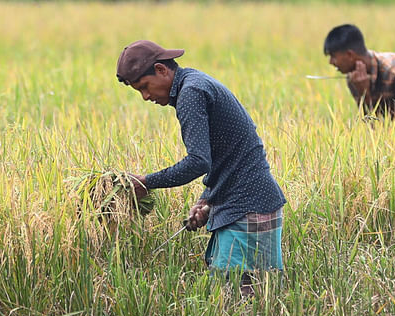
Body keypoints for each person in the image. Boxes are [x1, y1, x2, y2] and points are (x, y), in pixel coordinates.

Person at [116, 40, 286, 296]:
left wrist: (146, 182)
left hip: (246, 206)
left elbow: (198, 161)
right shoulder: (196, 82)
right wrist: (208, 199)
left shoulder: (191, 93)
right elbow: (228, 153)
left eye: (144, 87)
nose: (146, 97)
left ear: (162, 70)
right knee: (247, 298)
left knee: (241, 301)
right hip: (250, 202)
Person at [324, 24, 395, 124]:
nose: (331, 62)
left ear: (350, 55)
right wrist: (364, 94)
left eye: (333, 56)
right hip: (389, 141)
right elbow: (371, 127)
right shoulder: (354, 78)